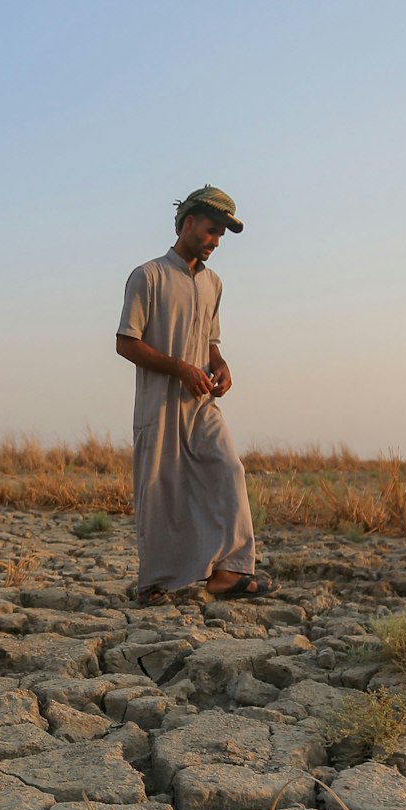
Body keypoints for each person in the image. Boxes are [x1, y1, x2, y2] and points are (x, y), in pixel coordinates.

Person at [115, 185, 268, 605]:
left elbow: (209, 340)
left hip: (201, 403)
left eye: (221, 235)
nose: (216, 241)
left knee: (227, 469)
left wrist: (218, 364)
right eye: (211, 230)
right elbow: (126, 343)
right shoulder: (147, 276)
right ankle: (155, 584)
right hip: (159, 402)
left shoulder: (214, 283)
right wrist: (180, 368)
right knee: (161, 487)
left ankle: (230, 570)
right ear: (187, 224)